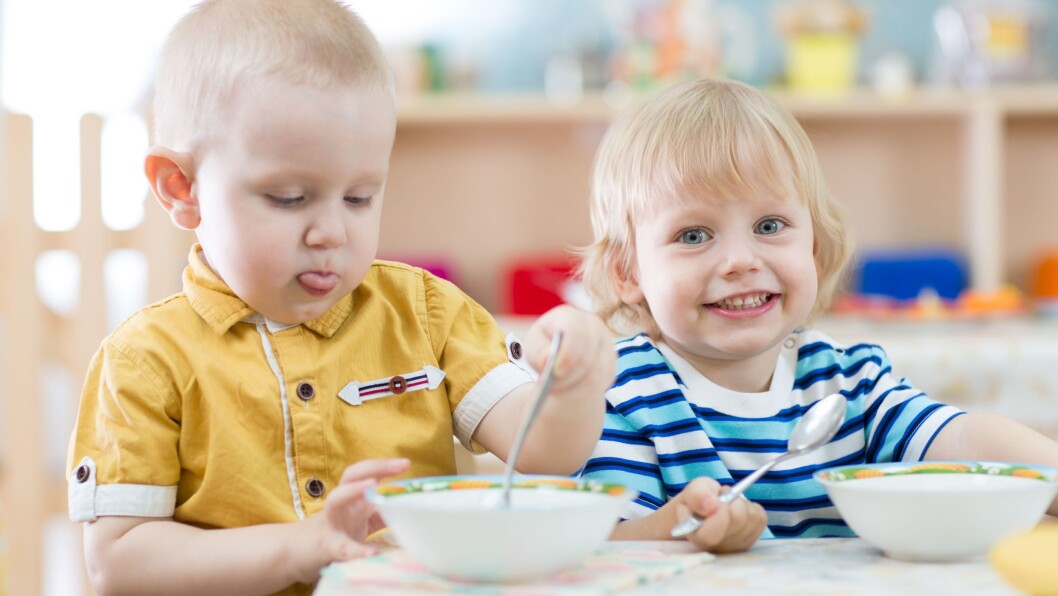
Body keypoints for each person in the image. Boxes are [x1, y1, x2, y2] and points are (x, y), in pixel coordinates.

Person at [66, 1, 615, 594]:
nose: (332, 232)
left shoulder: (427, 312)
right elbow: (118, 563)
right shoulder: (144, 361)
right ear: (182, 188)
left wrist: (574, 387)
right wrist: (302, 546)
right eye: (289, 198)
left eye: (359, 198)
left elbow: (544, 453)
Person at [575, 78, 1058, 552]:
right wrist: (677, 530)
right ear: (627, 272)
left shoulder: (849, 385)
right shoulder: (622, 392)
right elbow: (604, 546)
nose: (740, 260)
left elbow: (967, 439)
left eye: (769, 225)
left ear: (815, 247)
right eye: (694, 235)